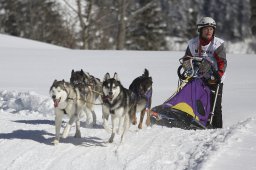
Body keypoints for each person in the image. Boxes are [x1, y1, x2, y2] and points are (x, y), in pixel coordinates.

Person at [181, 17, 227, 128]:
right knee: (194, 101)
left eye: (211, 29)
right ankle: (196, 122)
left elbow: (222, 63)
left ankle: (217, 129)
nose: (209, 31)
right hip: (197, 77)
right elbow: (186, 59)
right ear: (200, 30)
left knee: (214, 106)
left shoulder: (217, 44)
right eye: (206, 29)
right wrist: (187, 69)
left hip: (213, 78)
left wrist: (218, 76)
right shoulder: (193, 43)